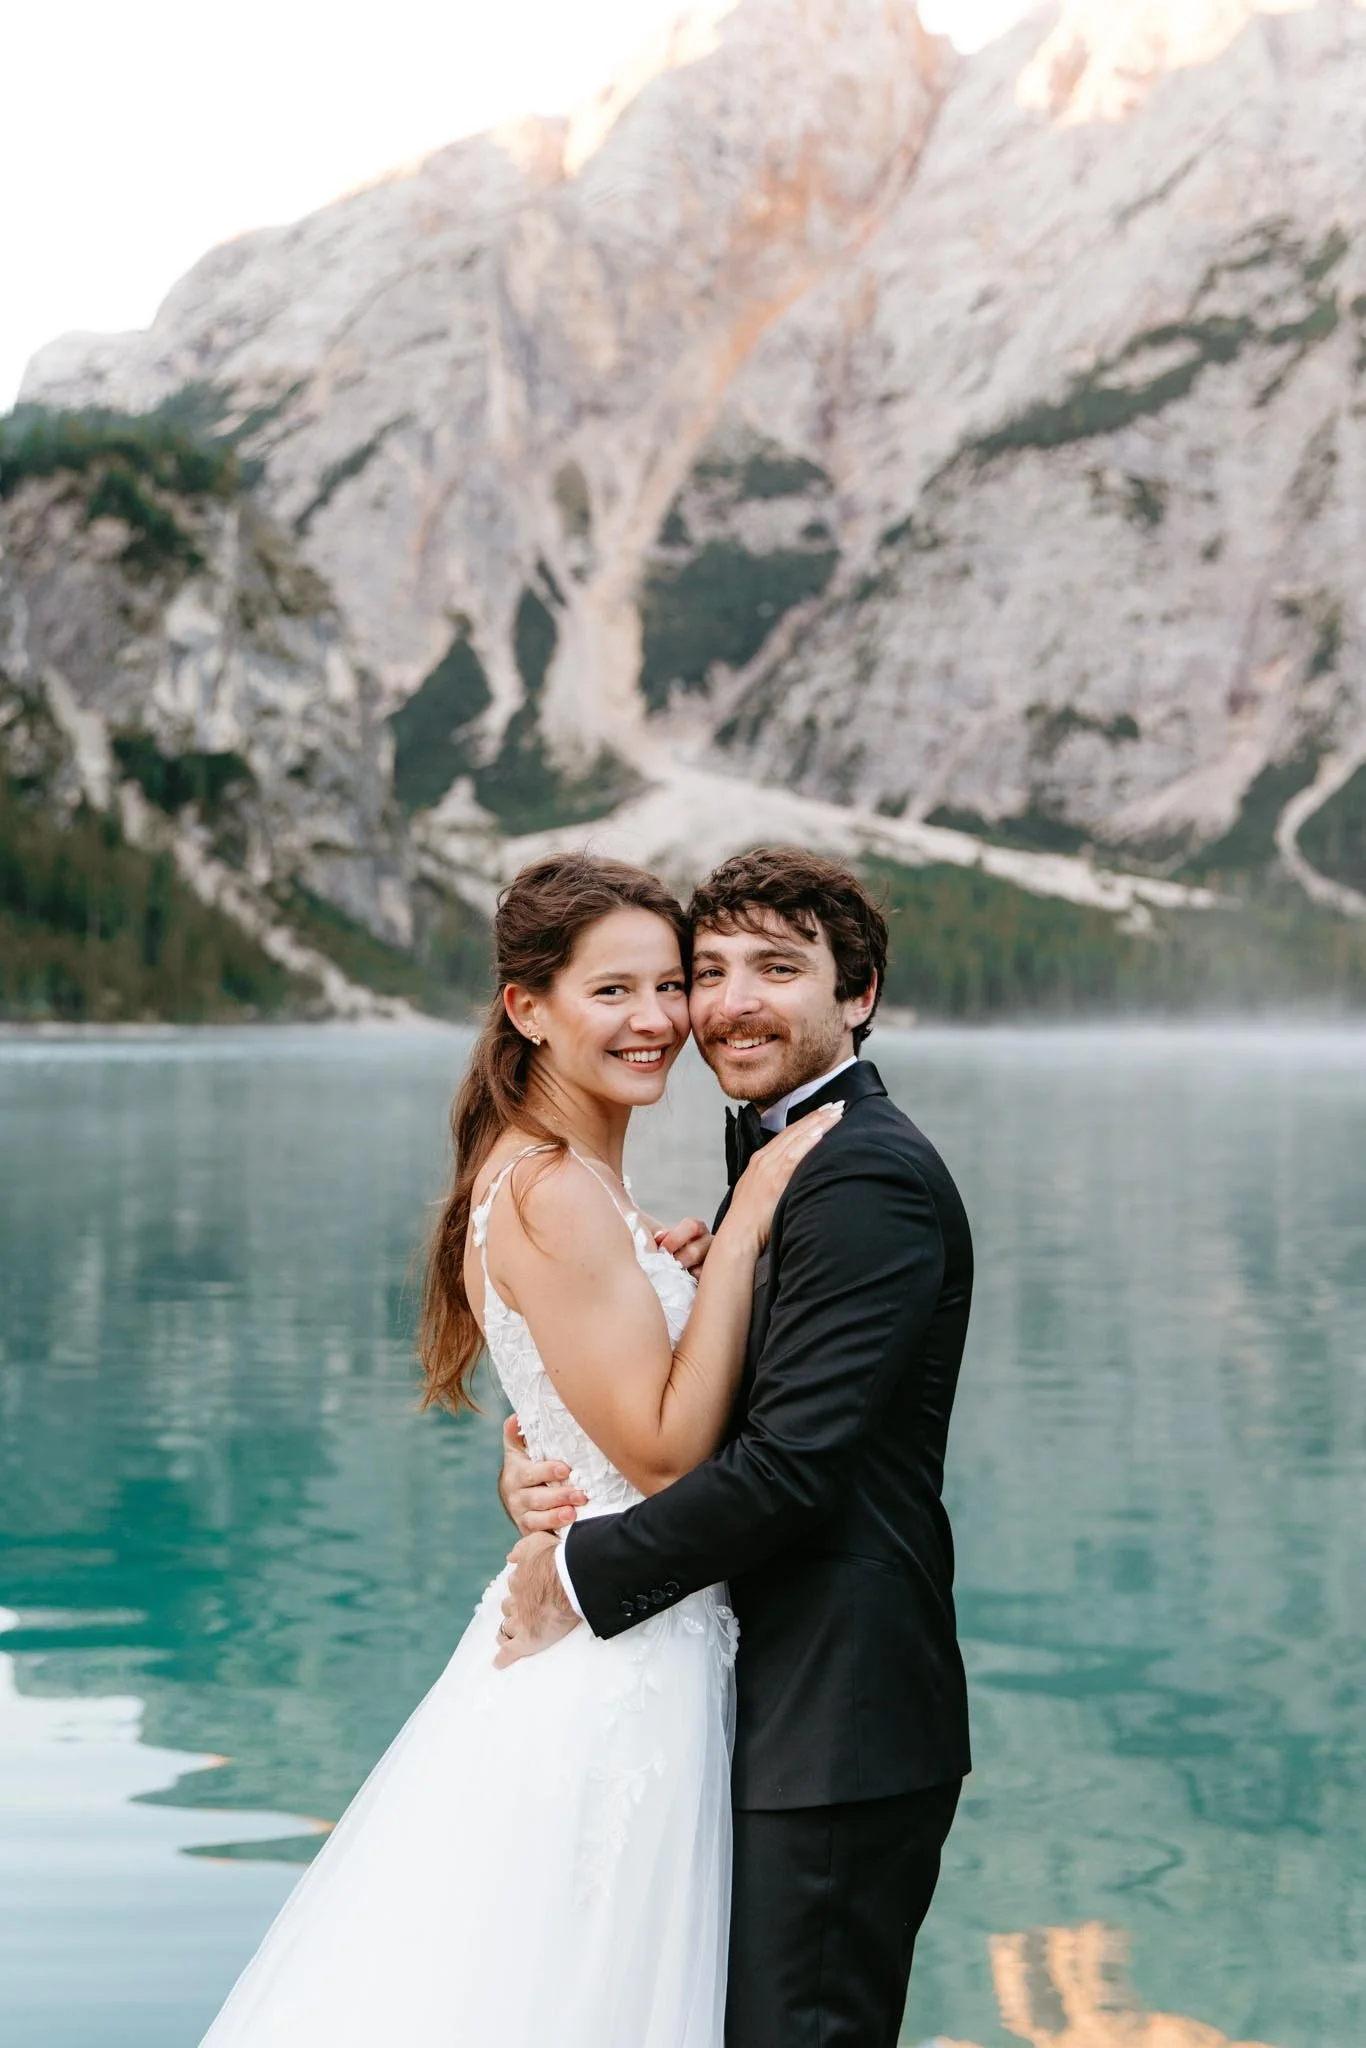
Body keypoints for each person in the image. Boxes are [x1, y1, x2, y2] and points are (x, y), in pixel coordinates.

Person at [197, 851, 840, 2048]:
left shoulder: (576, 1177)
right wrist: (748, 1234)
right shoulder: (552, 1186)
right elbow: (657, 1455)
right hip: (616, 1665)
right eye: (611, 992)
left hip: (631, 1628)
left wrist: (691, 1290)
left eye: (668, 985)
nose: (655, 1021)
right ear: (526, 1007)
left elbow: (611, 1408)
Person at [499, 846, 974, 2048]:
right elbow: (723, 1411)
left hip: (842, 1721)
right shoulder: (775, 1156)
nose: (725, 1002)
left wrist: (577, 1571)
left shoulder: (863, 1171)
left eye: (776, 966)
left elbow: (793, 1471)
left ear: (854, 994)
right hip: (755, 1705)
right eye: (706, 969)